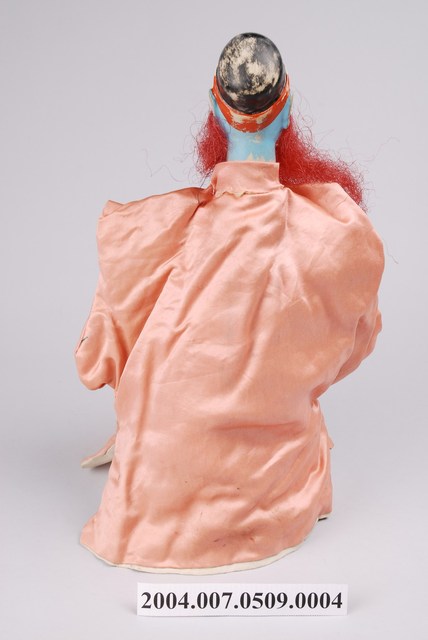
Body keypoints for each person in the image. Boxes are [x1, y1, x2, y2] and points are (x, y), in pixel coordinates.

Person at [75, 33, 384, 574]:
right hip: (271, 490)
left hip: (152, 501)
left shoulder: (155, 231)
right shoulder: (333, 233)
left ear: (215, 114)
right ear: (287, 110)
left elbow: (96, 357)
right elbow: (354, 344)